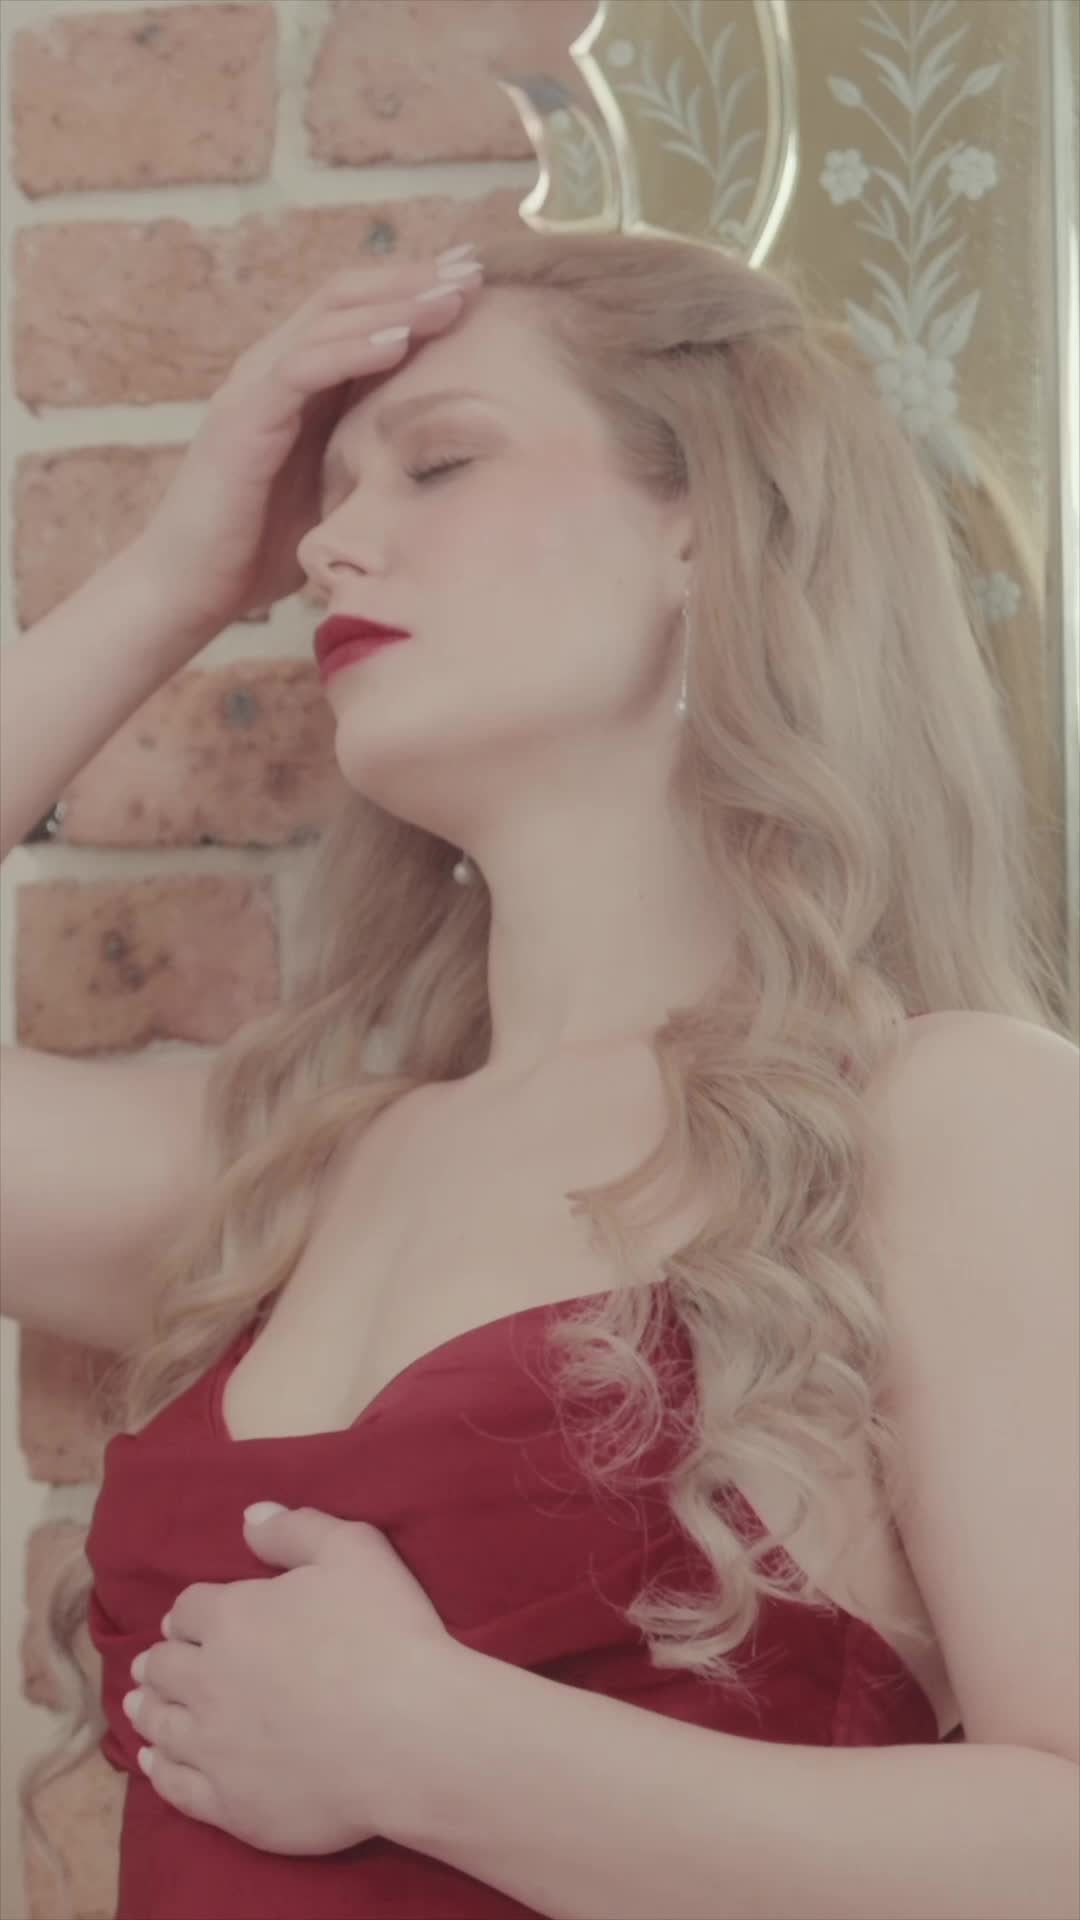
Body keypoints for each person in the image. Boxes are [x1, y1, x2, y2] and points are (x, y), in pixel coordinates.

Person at [2, 227, 1069, 1919]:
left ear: (705, 523)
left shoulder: (949, 1119)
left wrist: (433, 1752)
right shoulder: (282, 1182)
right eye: (325, 500)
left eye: (439, 463)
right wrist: (172, 579)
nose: (332, 544)